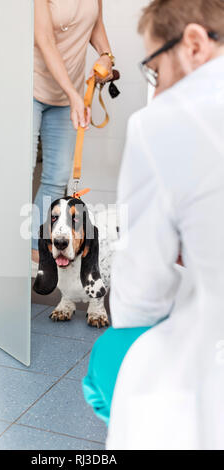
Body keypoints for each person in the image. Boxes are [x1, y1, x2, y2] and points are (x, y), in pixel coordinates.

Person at [83, 0, 224, 450]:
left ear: (195, 45)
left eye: (157, 73)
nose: (159, 91)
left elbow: (141, 295)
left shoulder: (163, 122)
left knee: (118, 369)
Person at [32, 0, 114, 264]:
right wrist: (73, 94)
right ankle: (1, 253)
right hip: (30, 87)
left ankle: (39, 252)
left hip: (67, 95)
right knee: (19, 172)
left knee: (56, 178)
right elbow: (44, 40)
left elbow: (96, 24)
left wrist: (106, 55)